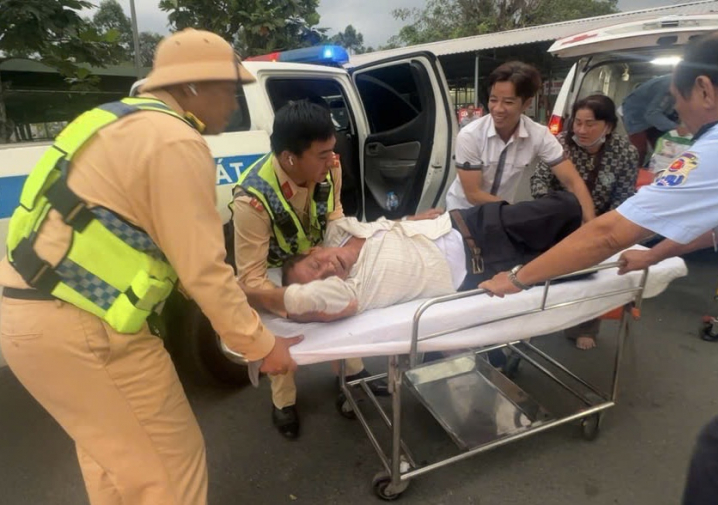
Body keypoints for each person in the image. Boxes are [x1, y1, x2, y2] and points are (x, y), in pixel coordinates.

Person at [479, 28, 718, 505]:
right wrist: (655, 253)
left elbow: (607, 233)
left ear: (706, 89)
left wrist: (519, 279)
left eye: (678, 103)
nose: (680, 121)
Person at [0, 29, 302, 505]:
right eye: (229, 90)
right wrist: (261, 345)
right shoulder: (175, 141)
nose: (233, 103)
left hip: (31, 318)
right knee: (169, 472)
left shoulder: (106, 122)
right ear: (192, 88)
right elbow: (203, 270)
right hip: (87, 331)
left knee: (115, 463)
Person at [230, 100, 387, 439]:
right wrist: (294, 302)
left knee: (344, 308)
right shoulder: (252, 200)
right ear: (289, 158)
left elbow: (335, 217)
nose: (332, 160)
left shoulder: (329, 168)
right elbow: (252, 277)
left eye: (333, 151)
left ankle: (351, 375)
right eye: (322, 154)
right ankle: (284, 401)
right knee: (282, 332)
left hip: (316, 253)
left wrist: (339, 259)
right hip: (274, 269)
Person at [240, 192, 582, 321]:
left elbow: (382, 226)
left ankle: (616, 229)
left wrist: (408, 220)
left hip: (473, 223)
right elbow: (306, 299)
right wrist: (245, 294)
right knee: (579, 265)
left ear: (315, 250)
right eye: (325, 279)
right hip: (488, 268)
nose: (329, 269)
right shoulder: (354, 291)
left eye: (317, 264)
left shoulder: (342, 231)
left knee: (566, 207)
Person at [530, 94, 639, 350]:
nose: (581, 130)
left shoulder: (625, 152)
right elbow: (539, 179)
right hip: (556, 218)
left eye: (590, 124)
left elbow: (624, 196)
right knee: (541, 271)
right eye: (577, 123)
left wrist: (602, 228)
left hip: (600, 224)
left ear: (608, 126)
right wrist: (550, 208)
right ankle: (535, 323)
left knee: (588, 279)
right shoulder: (560, 144)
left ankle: (584, 326)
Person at [444, 61, 596, 224]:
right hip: (463, 216)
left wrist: (592, 227)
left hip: (501, 217)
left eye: (508, 102)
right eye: (493, 100)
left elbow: (572, 181)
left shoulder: (538, 135)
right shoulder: (470, 135)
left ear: (527, 103)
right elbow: (473, 194)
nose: (498, 109)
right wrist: (518, 212)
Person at [621, 74, 684, 166]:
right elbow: (652, 114)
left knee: (663, 148)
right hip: (635, 114)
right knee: (639, 150)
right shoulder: (669, 86)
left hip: (655, 113)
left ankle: (658, 170)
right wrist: (676, 127)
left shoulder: (680, 84)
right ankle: (631, 174)